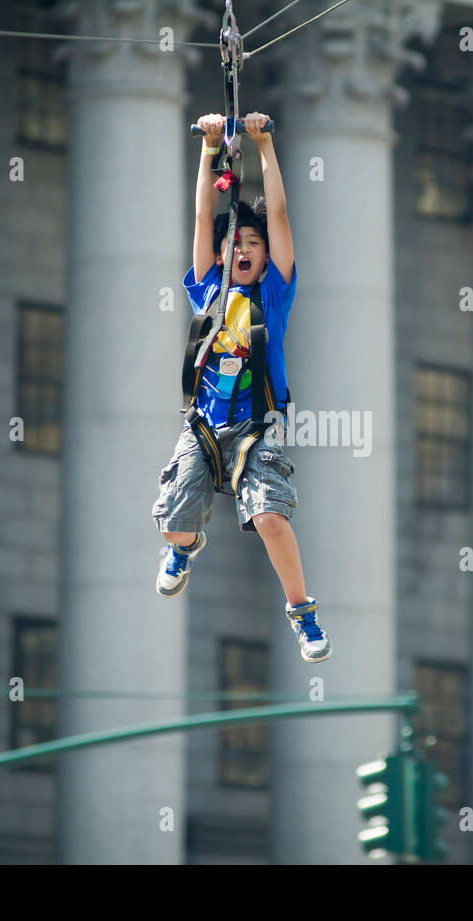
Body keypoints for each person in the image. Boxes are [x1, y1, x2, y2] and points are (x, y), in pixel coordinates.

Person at [150, 111, 330, 664]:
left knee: (271, 517)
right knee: (175, 525)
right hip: (203, 427)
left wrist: (265, 145)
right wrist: (209, 150)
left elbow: (276, 211)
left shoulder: (274, 296)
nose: (244, 250)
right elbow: (205, 217)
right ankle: (185, 548)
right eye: (237, 245)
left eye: (254, 244)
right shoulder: (207, 289)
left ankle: (302, 612)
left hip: (255, 431)